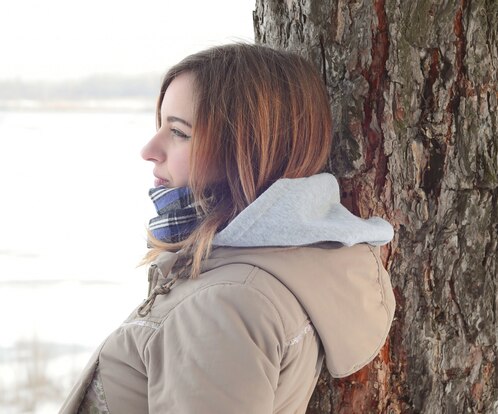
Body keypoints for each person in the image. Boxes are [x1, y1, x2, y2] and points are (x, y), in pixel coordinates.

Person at [60, 43, 395, 414]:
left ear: (247, 149)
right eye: (160, 126)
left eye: (179, 133)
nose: (150, 149)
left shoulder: (222, 307)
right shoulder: (263, 272)